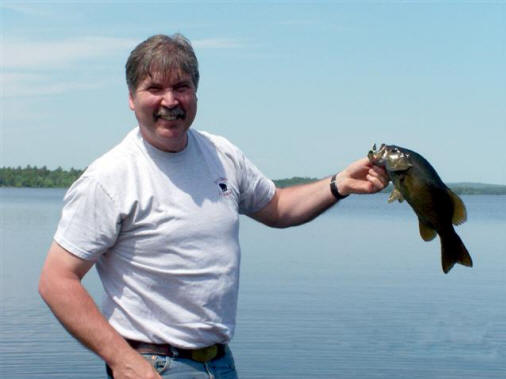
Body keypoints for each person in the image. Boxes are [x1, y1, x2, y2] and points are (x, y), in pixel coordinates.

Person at [38, 33, 388, 379]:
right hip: (152, 366)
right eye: (154, 89)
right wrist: (124, 362)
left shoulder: (221, 156)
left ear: (195, 93)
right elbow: (57, 280)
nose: (170, 100)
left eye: (182, 87)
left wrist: (339, 184)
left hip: (220, 363)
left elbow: (278, 207)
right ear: (131, 98)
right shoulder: (109, 178)